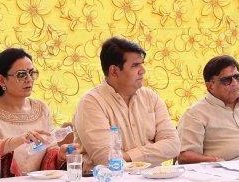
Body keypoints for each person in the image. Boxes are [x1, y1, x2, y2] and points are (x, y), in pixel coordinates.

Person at [0, 48, 76, 179]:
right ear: (2, 80)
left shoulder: (41, 108)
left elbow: (48, 149)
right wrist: (19, 140)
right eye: (21, 75)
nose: (29, 79)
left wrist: (60, 156)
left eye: (31, 73)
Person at [73, 37, 180, 168]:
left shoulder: (150, 97)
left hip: (152, 180)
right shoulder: (91, 102)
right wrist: (148, 154)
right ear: (114, 71)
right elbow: (106, 160)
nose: (143, 70)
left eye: (142, 63)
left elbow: (174, 145)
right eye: (135, 65)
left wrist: (129, 156)